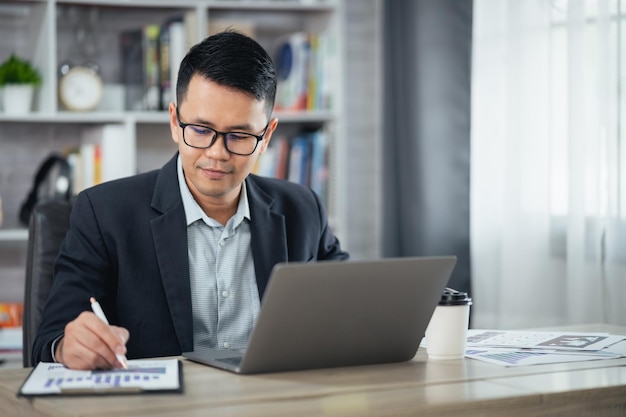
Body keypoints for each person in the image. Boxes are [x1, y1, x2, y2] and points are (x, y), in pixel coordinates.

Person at [32, 31, 349, 370]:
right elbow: (48, 340)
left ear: (266, 135)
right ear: (174, 121)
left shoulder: (303, 210)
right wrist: (67, 346)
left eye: (239, 136)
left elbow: (354, 310)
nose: (216, 153)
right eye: (200, 130)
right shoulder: (104, 213)